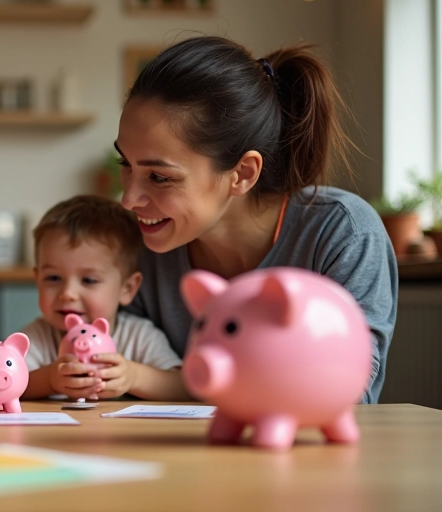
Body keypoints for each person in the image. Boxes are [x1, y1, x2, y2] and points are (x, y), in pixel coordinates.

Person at [116, 36, 396, 403]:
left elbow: (347, 393)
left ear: (243, 173)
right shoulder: (139, 244)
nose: (128, 200)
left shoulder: (343, 233)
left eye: (159, 177)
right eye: (126, 164)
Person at [21, 195, 189, 401]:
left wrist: (134, 377)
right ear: (37, 280)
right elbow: (6, 385)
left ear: (127, 289)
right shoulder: (37, 338)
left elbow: (184, 387)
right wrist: (48, 380)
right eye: (53, 278)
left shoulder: (139, 337)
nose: (68, 293)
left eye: (89, 280)